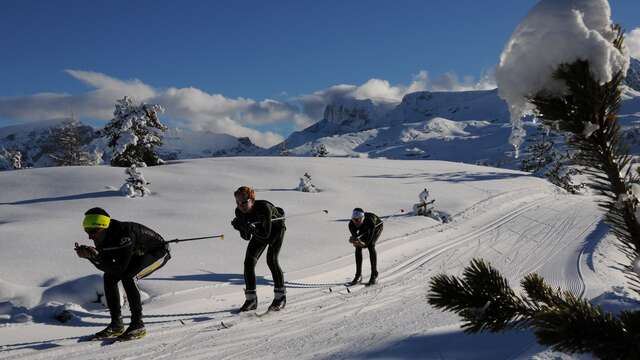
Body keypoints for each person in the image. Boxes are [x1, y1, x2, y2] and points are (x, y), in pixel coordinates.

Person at [75, 207, 171, 340]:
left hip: (158, 252)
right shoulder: (103, 237)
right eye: (87, 231)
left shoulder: (124, 235)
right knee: (109, 277)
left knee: (128, 276)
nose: (89, 236)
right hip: (137, 254)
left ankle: (138, 325)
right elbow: (109, 267)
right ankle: (116, 324)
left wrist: (95, 258)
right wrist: (94, 257)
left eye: (93, 231)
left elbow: (120, 268)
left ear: (103, 227)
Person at [231, 186, 287, 312]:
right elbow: (246, 237)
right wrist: (241, 227)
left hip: (276, 230)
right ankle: (251, 299)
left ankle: (280, 297)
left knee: (271, 260)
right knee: (248, 262)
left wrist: (251, 229)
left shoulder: (263, 208)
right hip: (259, 232)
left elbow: (266, 236)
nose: (241, 205)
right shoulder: (239, 212)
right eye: (238, 202)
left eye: (244, 202)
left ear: (252, 200)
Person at [348, 208, 383, 286]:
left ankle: (374, 274)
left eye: (357, 220)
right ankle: (358, 275)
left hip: (377, 226)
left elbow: (367, 243)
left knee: (371, 246)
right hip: (364, 227)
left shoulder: (370, 223)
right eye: (353, 220)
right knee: (358, 248)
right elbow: (357, 240)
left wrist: (360, 242)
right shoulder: (351, 225)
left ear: (362, 218)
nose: (355, 222)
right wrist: (354, 241)